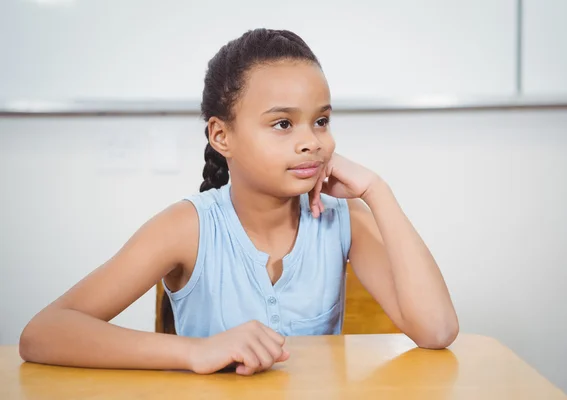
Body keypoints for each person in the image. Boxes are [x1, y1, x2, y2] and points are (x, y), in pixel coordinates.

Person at [19, 28, 459, 376]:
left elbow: (436, 330)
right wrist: (198, 352)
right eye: (283, 124)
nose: (311, 141)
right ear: (221, 136)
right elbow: (43, 333)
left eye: (321, 121)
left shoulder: (344, 219)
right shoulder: (186, 227)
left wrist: (377, 192)